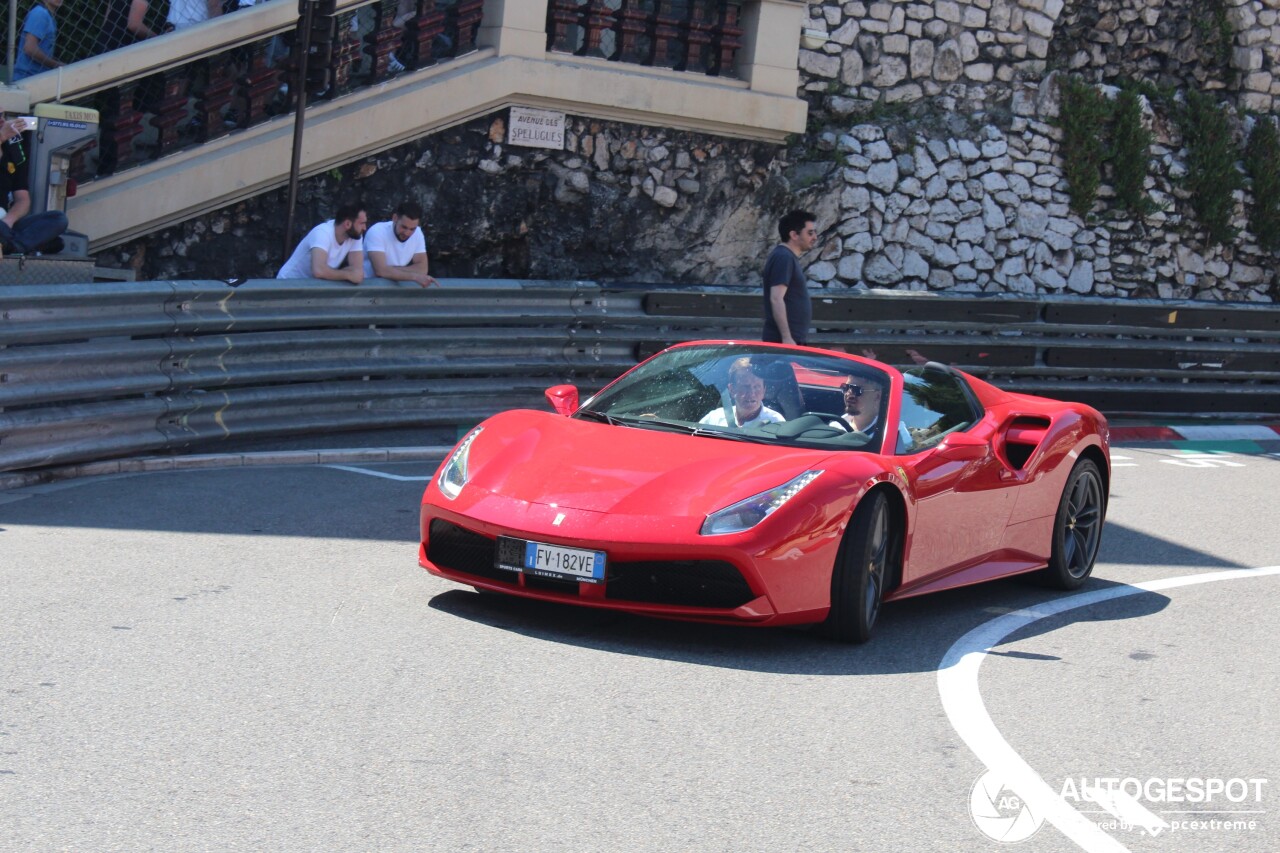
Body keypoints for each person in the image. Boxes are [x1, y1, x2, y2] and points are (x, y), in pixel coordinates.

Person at [0, 117, 69, 257]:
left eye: (2, 114)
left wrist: (8, 221)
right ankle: (16, 245)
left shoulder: (12, 148)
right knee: (53, 243)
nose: (2, 120)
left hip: (3, 222)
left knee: (58, 219)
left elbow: (23, 200)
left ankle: (11, 246)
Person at [762, 209, 818, 346]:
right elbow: (776, 298)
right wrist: (786, 337)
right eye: (810, 233)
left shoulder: (786, 257)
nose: (815, 237)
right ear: (794, 235)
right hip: (783, 342)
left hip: (790, 340)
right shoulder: (784, 257)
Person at [277, 202, 368, 283]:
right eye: (362, 223)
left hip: (312, 287)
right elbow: (318, 271)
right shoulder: (322, 233)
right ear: (347, 224)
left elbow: (357, 271)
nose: (365, 228)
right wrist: (347, 275)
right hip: (287, 284)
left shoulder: (355, 236)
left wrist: (330, 272)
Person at [363, 200, 438, 287]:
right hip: (369, 288)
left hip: (395, 289)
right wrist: (415, 277)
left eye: (412, 229)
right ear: (395, 218)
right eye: (404, 227)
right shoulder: (377, 231)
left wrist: (390, 270)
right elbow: (380, 271)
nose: (407, 233)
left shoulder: (418, 233)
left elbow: (423, 269)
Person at [700, 357, 786, 429]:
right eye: (745, 386)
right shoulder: (714, 418)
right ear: (732, 390)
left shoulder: (776, 422)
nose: (752, 393)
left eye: (757, 387)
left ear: (764, 391)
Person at [13, 0, 64, 81]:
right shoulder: (40, 14)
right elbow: (30, 48)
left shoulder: (48, 16)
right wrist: (56, 65)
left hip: (36, 77)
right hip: (27, 78)